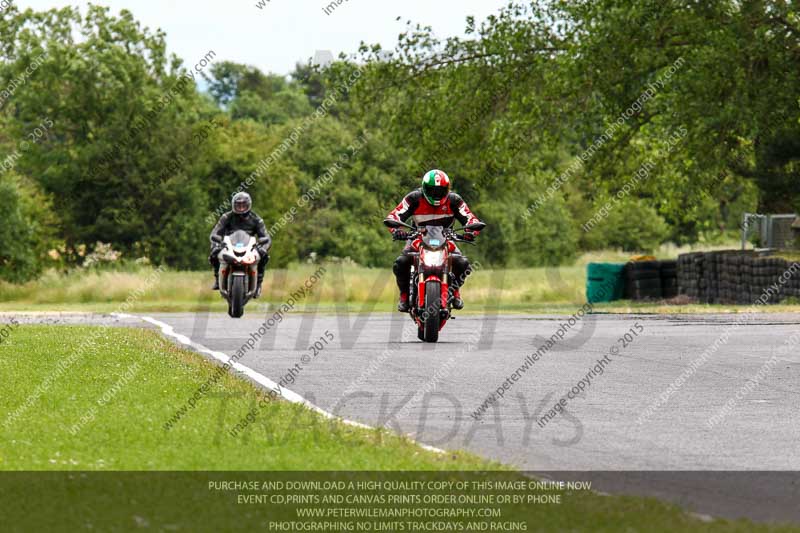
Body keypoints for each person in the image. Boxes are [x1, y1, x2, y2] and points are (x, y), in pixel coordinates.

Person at [386, 169, 482, 312]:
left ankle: (455, 291)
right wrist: (396, 230)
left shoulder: (455, 200)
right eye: (432, 190)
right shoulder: (414, 198)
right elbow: (395, 215)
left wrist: (471, 232)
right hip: (417, 237)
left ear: (447, 189)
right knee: (401, 263)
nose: (436, 195)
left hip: (447, 238)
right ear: (424, 188)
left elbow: (470, 218)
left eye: (441, 191)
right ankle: (404, 295)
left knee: (463, 264)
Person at [209, 192, 271, 298]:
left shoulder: (256, 219)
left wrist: (264, 246)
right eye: (238, 205)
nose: (241, 208)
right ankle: (217, 279)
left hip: (250, 247)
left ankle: (259, 284)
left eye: (243, 205)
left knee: (264, 256)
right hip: (228, 245)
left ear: (248, 205)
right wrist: (216, 243)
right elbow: (215, 233)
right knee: (214, 253)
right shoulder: (226, 217)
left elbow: (265, 236)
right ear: (233, 205)